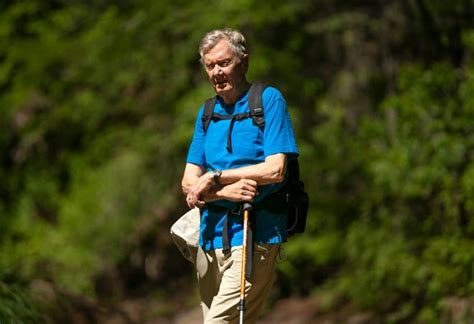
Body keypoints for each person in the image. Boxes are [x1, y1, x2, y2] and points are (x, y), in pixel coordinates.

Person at [181, 28, 299, 323]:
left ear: (243, 62)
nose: (217, 72)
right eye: (210, 66)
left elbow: (275, 169)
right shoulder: (207, 113)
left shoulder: (268, 101)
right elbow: (188, 182)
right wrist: (223, 191)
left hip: (254, 235)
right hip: (209, 242)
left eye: (224, 63)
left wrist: (216, 177)